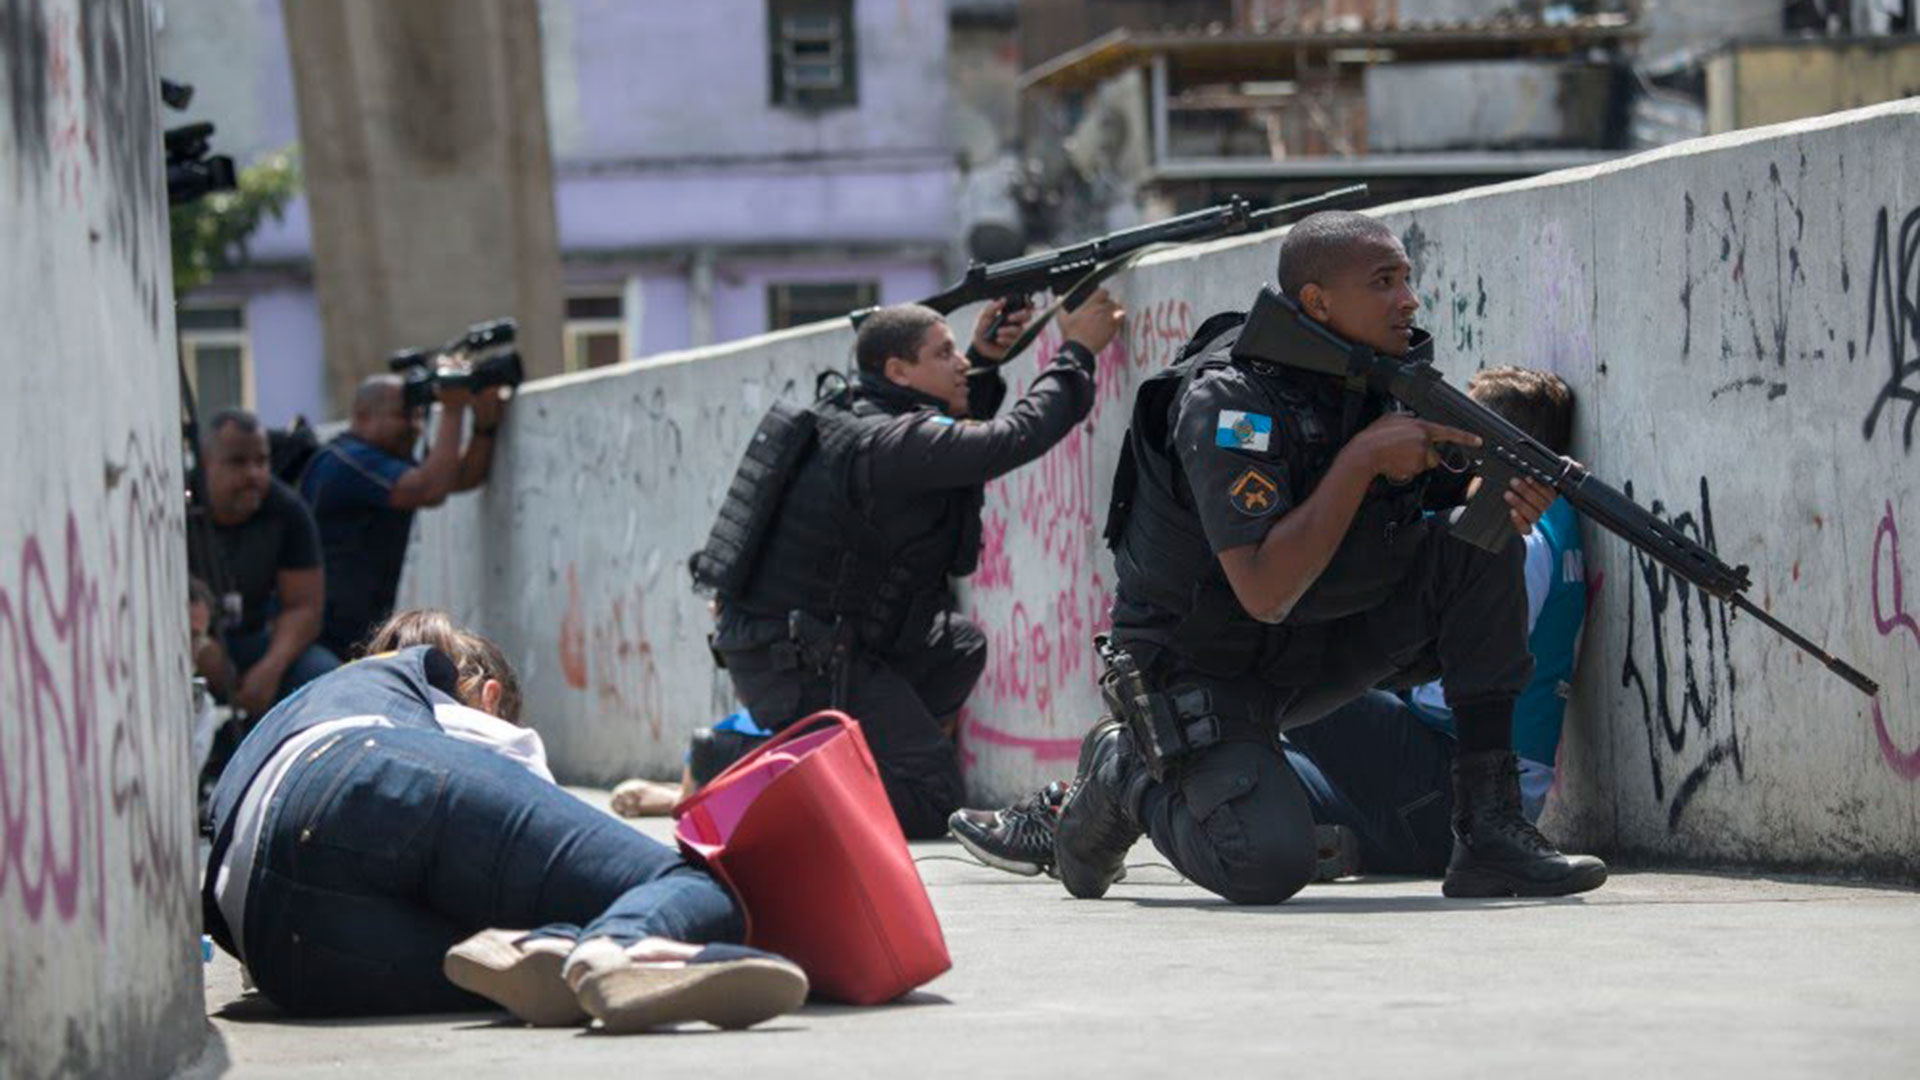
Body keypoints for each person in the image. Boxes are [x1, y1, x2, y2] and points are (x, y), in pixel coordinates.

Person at [1045, 211, 1605, 904]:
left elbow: (1432, 503)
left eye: (1406, 278)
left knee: (1477, 540)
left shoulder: (1371, 384)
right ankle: (1123, 771)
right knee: (1268, 864)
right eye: (1382, 282)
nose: (1409, 299)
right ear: (1317, 303)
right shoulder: (1229, 403)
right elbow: (1263, 589)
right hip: (1205, 666)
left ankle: (1489, 830)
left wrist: (1494, 491)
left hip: (1315, 645)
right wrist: (1365, 460)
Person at [950, 367, 1588, 880]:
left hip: (1437, 783)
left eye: (1459, 433)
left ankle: (1126, 770)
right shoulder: (1540, 527)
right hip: (1418, 797)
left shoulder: (1509, 540)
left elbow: (1443, 689)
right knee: (1225, 755)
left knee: (1233, 680)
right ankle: (1089, 797)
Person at [200, 609, 808, 1031]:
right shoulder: (435, 699)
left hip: (283, 953)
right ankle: (618, 947)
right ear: (490, 698)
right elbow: (539, 833)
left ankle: (573, 951)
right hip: (356, 779)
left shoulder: (310, 701)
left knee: (509, 966)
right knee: (693, 886)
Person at [702, 293, 1125, 839]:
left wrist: (987, 358)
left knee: (957, 646)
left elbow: (954, 443)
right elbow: (1009, 439)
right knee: (932, 797)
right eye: (944, 353)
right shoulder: (890, 440)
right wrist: (1075, 353)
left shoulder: (870, 418)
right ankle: (744, 766)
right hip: (801, 662)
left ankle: (844, 764)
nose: (961, 363)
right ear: (899, 370)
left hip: (816, 646)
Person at [299, 372, 505, 657]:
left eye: (418, 417)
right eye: (402, 416)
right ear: (363, 417)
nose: (415, 427)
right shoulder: (347, 460)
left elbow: (461, 477)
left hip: (351, 629)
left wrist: (484, 425)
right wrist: (453, 408)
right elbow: (430, 489)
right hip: (322, 636)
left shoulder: (377, 458)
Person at [189, 409, 340, 716]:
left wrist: (270, 670)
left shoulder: (287, 511)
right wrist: (198, 644)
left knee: (325, 677)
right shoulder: (178, 503)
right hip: (188, 641)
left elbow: (305, 607)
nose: (253, 474)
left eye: (261, 461)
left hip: (255, 641)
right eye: (238, 462)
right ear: (206, 464)